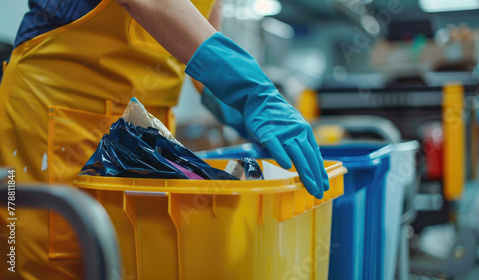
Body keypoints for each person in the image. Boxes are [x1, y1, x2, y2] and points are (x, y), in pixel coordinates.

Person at [0, 0, 328, 279]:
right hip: (57, 126)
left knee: (140, 263)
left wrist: (231, 104)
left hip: (147, 142)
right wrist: (250, 89)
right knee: (62, 263)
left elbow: (203, 28)